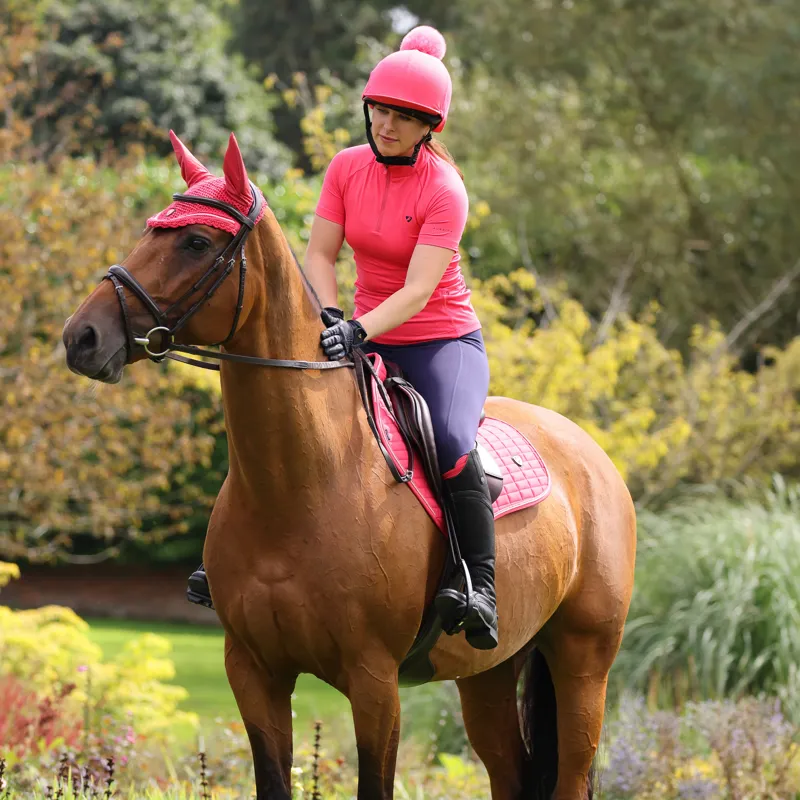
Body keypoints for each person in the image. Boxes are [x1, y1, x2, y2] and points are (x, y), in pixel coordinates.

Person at [189, 25, 498, 651]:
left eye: (404, 117)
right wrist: (330, 315)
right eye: (380, 110)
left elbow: (416, 292)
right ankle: (228, 556)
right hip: (357, 332)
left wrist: (357, 327)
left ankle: (479, 583)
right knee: (283, 423)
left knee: (451, 441)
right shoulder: (347, 168)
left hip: (440, 341)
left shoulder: (445, 190)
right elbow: (322, 253)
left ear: (429, 127)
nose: (386, 125)